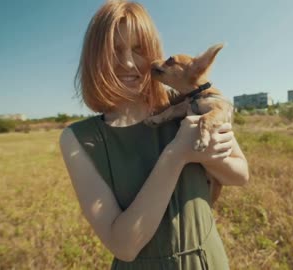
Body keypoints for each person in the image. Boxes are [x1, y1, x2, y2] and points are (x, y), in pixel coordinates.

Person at [59, 1, 249, 269]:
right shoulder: (79, 139)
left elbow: (240, 175)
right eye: (114, 50)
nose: (127, 62)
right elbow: (124, 246)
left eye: (139, 49)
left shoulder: (188, 103)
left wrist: (212, 155)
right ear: (94, 57)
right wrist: (177, 154)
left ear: (154, 53)